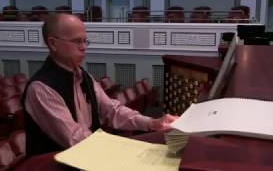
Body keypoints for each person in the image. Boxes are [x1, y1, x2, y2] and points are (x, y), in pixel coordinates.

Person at [22, 13, 178, 157]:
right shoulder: (41, 88)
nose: (84, 47)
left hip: (85, 156)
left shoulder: (84, 76)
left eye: (85, 41)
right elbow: (75, 138)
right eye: (77, 41)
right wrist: (126, 149)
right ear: (53, 43)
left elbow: (111, 110)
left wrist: (152, 123)